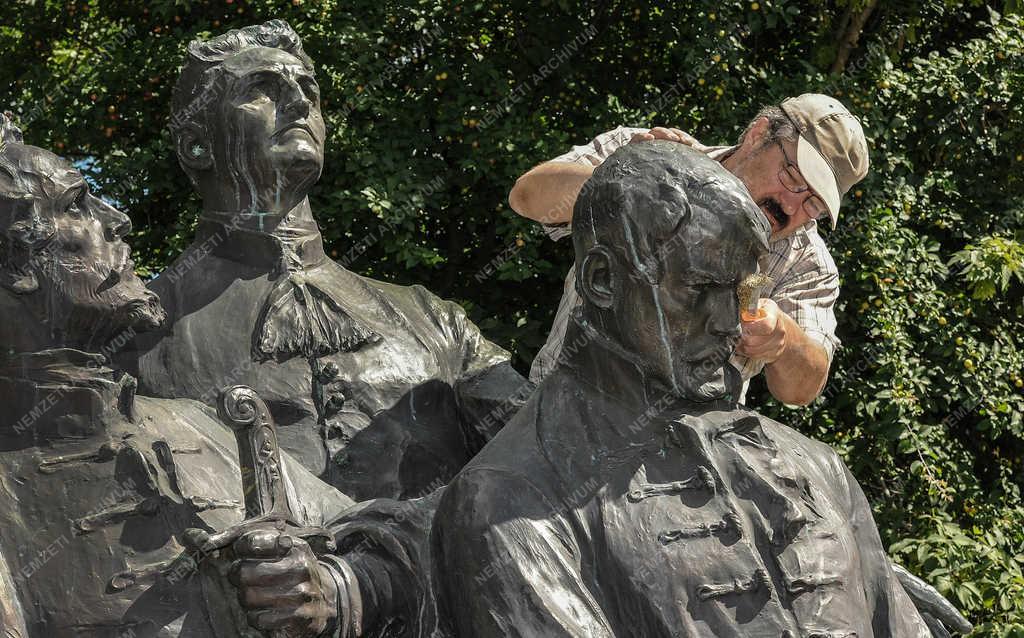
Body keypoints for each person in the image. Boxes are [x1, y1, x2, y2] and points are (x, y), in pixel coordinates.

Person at [435, 140, 929, 636]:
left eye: (737, 293)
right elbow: (530, 194)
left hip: (711, 430)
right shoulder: (510, 505)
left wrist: (786, 340)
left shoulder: (820, 468)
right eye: (699, 289)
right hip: (575, 432)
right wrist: (632, 191)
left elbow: (808, 379)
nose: (729, 324)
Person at [130, 21, 525, 501]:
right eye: (262, 89)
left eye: (309, 92)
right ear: (197, 145)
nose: (299, 103)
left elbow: (552, 451)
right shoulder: (136, 335)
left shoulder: (432, 319)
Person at [0, 113, 352, 637]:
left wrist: (332, 589)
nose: (117, 220)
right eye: (77, 204)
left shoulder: (207, 427)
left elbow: (386, 543)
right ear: (17, 266)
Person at [510, 94, 868, 405]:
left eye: (813, 205)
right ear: (758, 135)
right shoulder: (648, 153)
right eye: (791, 177)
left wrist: (784, 339)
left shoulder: (806, 262)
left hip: (681, 461)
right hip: (555, 417)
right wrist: (628, 180)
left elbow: (804, 388)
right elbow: (526, 197)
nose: (791, 208)